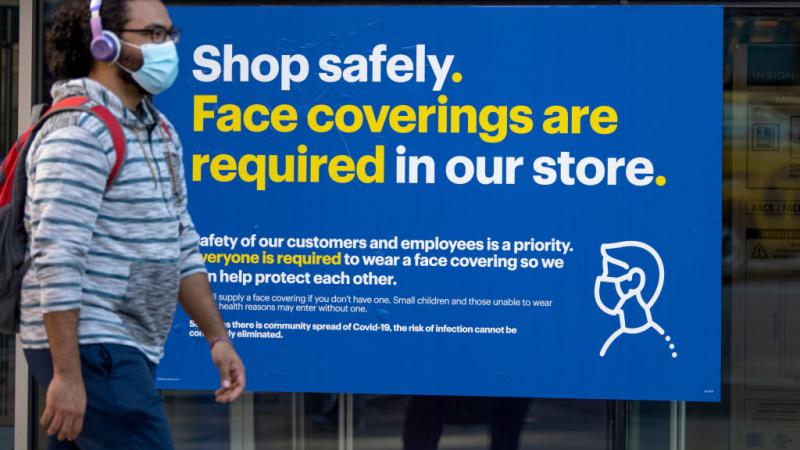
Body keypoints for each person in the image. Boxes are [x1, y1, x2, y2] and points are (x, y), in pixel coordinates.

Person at [20, 0, 245, 448]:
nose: (167, 47)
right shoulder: (78, 130)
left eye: (169, 35)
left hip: (128, 344)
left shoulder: (159, 130)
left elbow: (181, 242)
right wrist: (68, 374)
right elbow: (57, 255)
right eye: (154, 34)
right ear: (103, 43)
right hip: (93, 343)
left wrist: (217, 338)